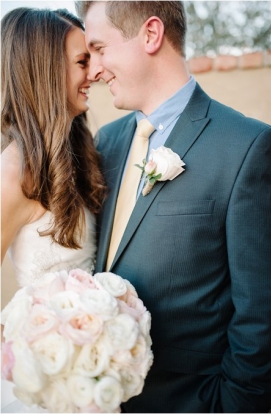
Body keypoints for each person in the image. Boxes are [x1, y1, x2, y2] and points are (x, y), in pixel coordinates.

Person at [75, 1, 271, 412]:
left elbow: (257, 313)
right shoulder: (106, 144)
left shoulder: (245, 145)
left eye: (99, 48)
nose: (93, 70)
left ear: (150, 35)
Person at [1, 7, 106, 412]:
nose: (95, 71)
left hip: (91, 381)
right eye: (83, 60)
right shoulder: (14, 172)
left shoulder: (78, 155)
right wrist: (30, 351)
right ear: (45, 69)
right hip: (46, 390)